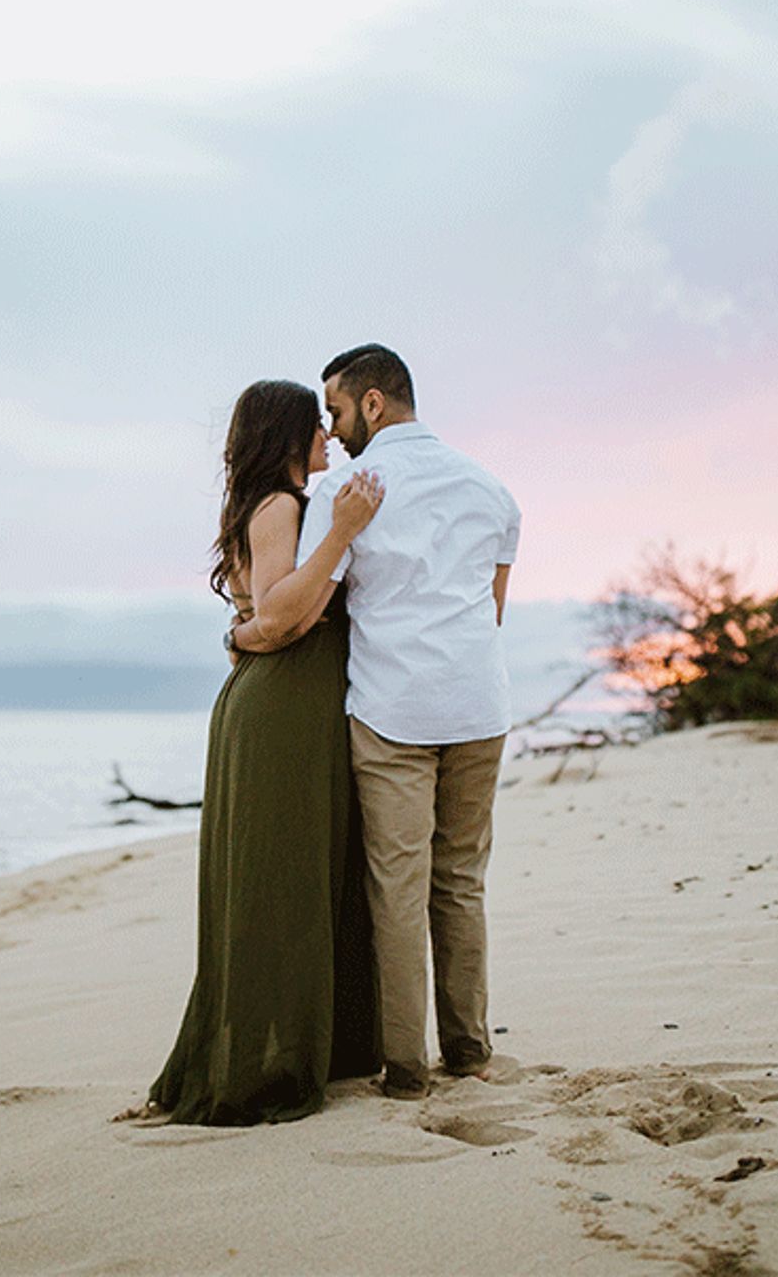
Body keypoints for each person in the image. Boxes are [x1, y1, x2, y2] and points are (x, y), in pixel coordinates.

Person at [233, 345, 520, 1100]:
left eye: (334, 410)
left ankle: (406, 1067)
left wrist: (246, 631)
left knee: (398, 887)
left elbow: (305, 612)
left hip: (393, 711)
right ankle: (469, 1050)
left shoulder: (345, 493)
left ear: (372, 403)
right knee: (461, 880)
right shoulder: (493, 491)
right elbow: (491, 609)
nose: (330, 428)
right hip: (479, 706)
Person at [113, 379, 385, 1126]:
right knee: (281, 884)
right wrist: (344, 532)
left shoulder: (272, 506)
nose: (328, 436)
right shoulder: (281, 507)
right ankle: (264, 1067)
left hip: (287, 703)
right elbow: (280, 615)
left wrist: (244, 633)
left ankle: (318, 1047)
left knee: (304, 875)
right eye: (317, 425)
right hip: (282, 710)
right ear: (289, 435)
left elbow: (260, 623)